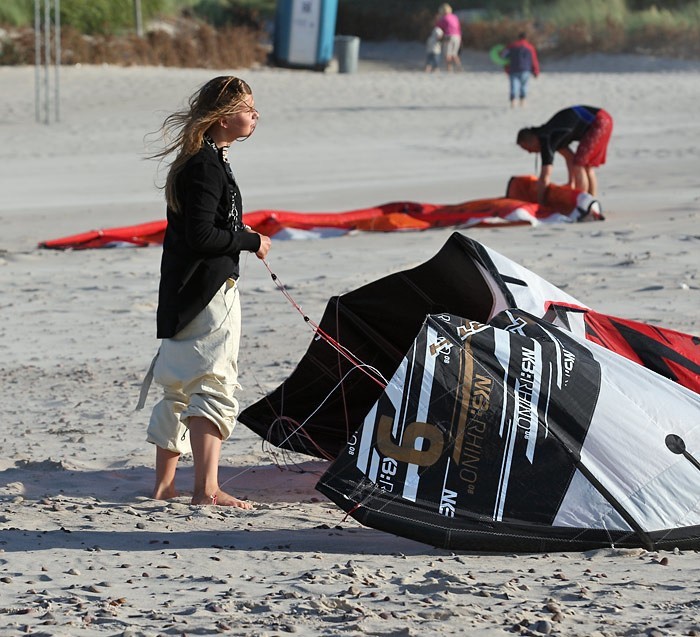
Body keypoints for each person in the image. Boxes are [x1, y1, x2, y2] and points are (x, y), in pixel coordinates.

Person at [139, 76, 272, 508]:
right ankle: (206, 489)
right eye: (247, 106)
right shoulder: (204, 165)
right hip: (208, 293)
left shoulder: (202, 160)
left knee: (177, 386)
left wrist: (237, 232)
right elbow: (201, 235)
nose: (255, 114)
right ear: (222, 115)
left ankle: (164, 487)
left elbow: (206, 228)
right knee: (212, 385)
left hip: (182, 291)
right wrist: (249, 241)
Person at [516, 105, 613, 202]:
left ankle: (581, 203)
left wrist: (540, 203)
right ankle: (591, 202)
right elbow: (569, 158)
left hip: (599, 122)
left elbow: (545, 177)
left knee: (579, 164)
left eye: (527, 148)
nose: (529, 152)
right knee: (585, 165)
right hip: (604, 118)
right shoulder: (549, 134)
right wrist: (571, 182)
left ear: (531, 140)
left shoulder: (547, 139)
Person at [502, 32, 540, 107]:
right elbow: (534, 60)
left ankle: (513, 101)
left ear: (518, 37)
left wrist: (506, 69)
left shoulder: (511, 46)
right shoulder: (530, 47)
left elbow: (504, 57)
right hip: (525, 69)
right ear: (526, 38)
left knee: (513, 86)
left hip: (513, 69)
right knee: (524, 85)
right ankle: (522, 101)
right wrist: (536, 71)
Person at [436, 4, 462, 72]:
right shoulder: (455, 17)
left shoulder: (444, 18)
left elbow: (438, 27)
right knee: (454, 53)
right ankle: (459, 67)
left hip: (449, 36)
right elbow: (458, 27)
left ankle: (449, 69)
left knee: (448, 54)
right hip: (457, 36)